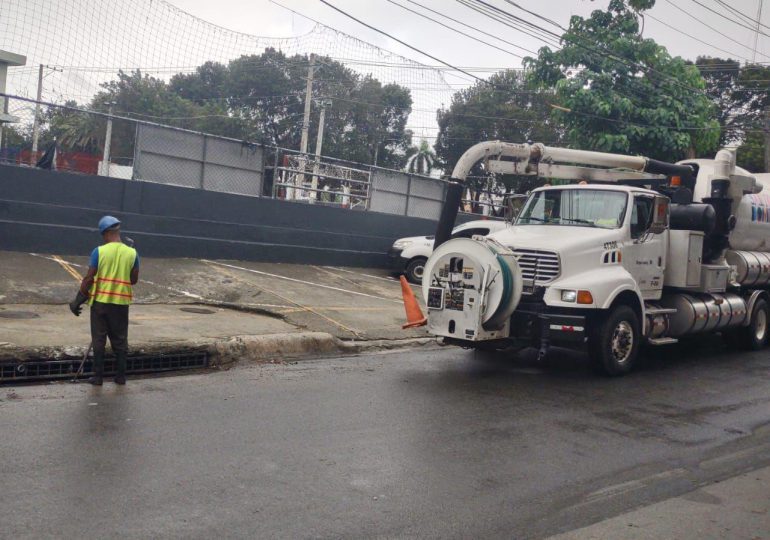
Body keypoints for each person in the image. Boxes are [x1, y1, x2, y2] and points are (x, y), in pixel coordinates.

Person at [69, 216, 139, 385]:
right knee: (120, 340)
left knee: (99, 339)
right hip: (121, 305)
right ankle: (120, 376)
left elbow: (89, 279)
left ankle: (98, 377)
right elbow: (133, 280)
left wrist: (77, 301)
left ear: (106, 233)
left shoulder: (99, 252)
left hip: (100, 303)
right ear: (118, 231)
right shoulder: (132, 253)